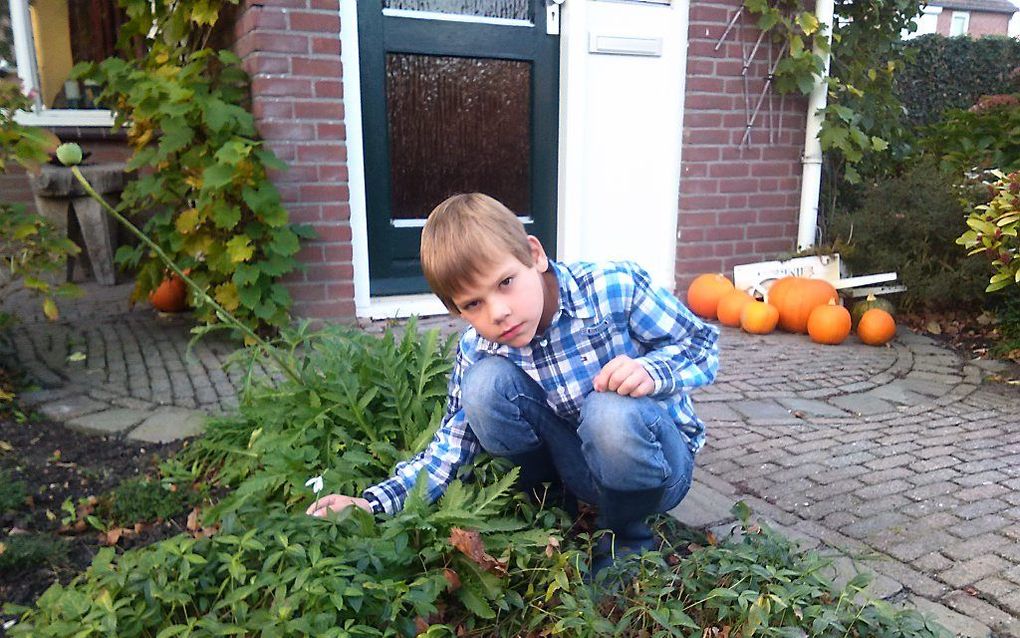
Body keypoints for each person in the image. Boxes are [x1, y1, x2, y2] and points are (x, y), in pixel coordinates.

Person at [307, 193, 719, 570]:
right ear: (457, 311)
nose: (499, 312)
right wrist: (373, 503)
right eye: (474, 303)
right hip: (578, 466)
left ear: (534, 255)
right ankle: (552, 505)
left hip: (658, 469)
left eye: (505, 282)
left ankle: (627, 540)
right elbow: (452, 446)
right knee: (483, 388)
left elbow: (701, 342)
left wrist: (652, 371)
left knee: (608, 408)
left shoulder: (614, 288)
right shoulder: (480, 348)